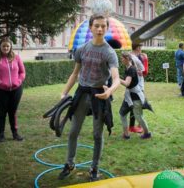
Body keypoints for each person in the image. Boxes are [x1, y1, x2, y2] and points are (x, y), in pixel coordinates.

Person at [58, 14, 120, 182]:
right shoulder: (82, 49)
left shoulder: (110, 52)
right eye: (97, 26)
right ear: (91, 28)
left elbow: (116, 79)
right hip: (82, 93)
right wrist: (64, 92)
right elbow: (74, 74)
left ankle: (94, 168)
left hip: (99, 95)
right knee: (73, 132)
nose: (100, 29)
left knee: (97, 135)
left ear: (106, 28)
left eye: (103, 26)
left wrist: (109, 92)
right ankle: (70, 163)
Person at [0, 38, 26, 142]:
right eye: (3, 46)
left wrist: (19, 81)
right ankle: (1, 134)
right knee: (2, 112)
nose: (5, 48)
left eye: (7, 46)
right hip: (0, 91)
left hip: (16, 90)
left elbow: (22, 72)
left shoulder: (16, 58)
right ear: (0, 47)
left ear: (10, 47)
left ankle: (15, 133)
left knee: (12, 112)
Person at [119, 52, 151, 140]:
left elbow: (127, 83)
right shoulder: (128, 68)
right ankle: (126, 135)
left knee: (138, 116)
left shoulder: (131, 69)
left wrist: (117, 78)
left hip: (135, 96)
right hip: (129, 96)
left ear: (127, 59)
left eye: (122, 58)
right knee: (122, 114)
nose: (121, 60)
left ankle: (147, 133)